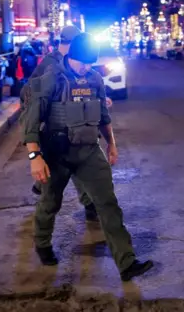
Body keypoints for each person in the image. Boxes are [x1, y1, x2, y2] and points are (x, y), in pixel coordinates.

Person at [23, 33, 153, 281]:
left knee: (108, 204)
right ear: (70, 56)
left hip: (89, 151)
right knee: (50, 203)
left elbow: (103, 116)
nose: (85, 68)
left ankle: (127, 263)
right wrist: (34, 156)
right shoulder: (51, 79)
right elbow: (31, 121)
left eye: (89, 63)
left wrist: (112, 144)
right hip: (56, 153)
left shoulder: (94, 79)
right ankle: (42, 243)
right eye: (81, 62)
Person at [20, 26, 99, 222]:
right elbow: (32, 95)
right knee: (65, 162)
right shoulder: (50, 64)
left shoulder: (72, 62)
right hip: (52, 124)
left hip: (73, 122)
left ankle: (88, 203)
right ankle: (53, 200)